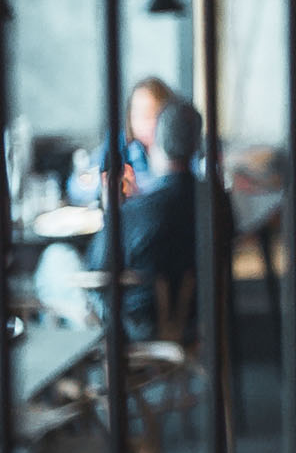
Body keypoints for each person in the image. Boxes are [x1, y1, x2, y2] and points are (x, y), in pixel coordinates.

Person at [78, 77, 204, 332]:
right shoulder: (215, 199)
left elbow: (97, 266)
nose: (144, 124)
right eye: (137, 114)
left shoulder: (142, 212)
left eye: (152, 116)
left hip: (136, 324)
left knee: (57, 261)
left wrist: (114, 211)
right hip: (198, 314)